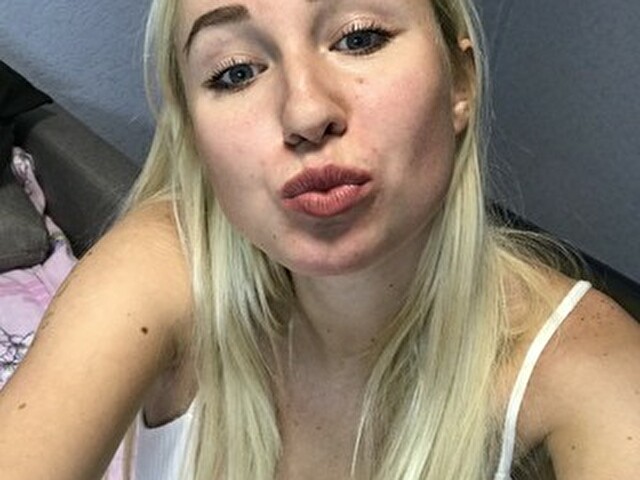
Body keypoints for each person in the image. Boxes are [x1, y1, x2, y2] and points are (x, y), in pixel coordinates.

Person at [1, 0, 639, 478]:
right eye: (234, 72)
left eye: (359, 37)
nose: (305, 113)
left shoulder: (592, 372)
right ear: (195, 137)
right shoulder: (161, 266)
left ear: (460, 83)